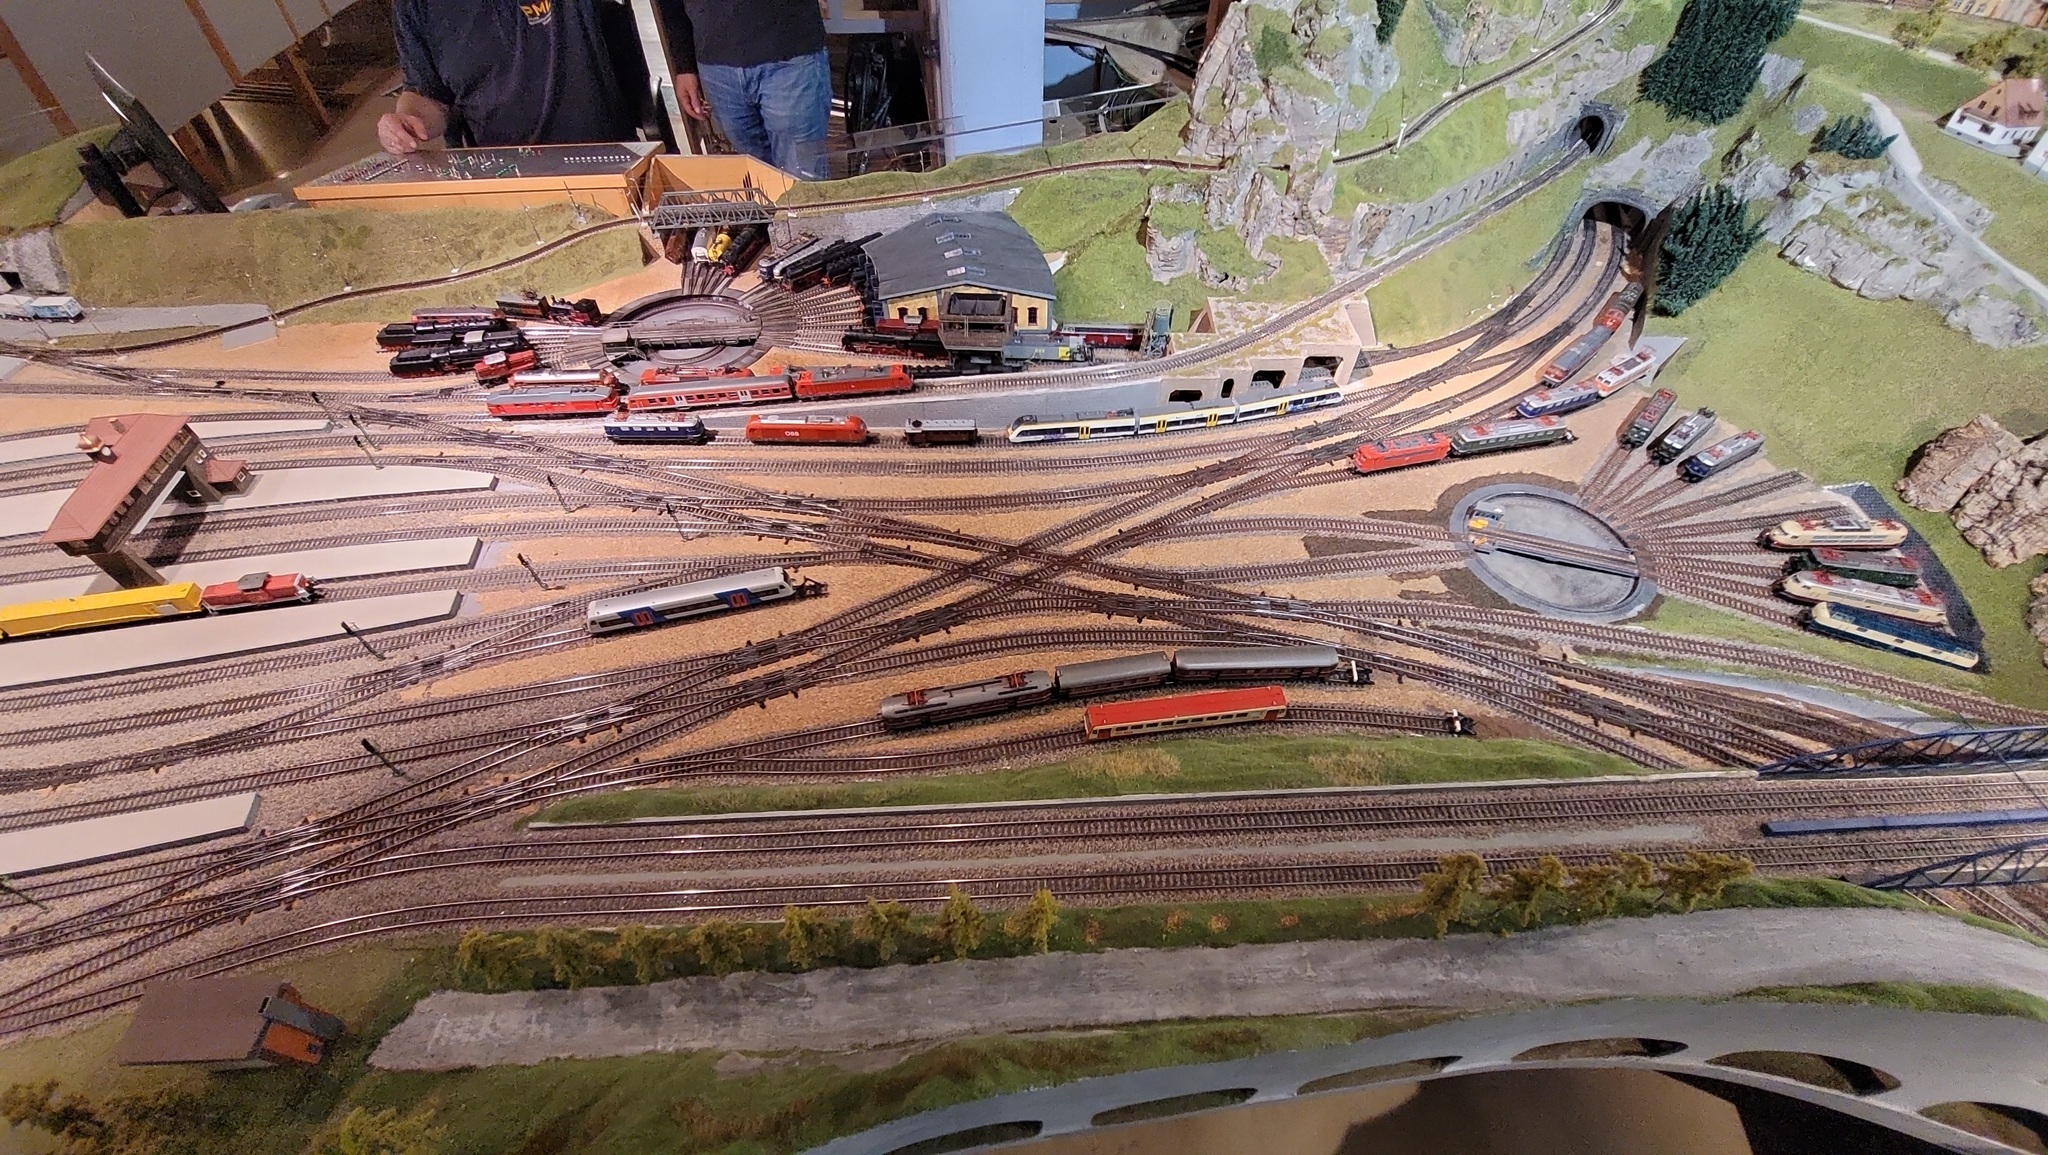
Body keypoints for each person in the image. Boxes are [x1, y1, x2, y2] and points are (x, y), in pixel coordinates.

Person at [379, 0, 639, 154]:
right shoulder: (416, 5)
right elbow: (429, 92)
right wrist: (408, 122)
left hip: (603, 163)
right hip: (504, 178)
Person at [660, 0, 833, 179]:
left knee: (803, 177)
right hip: (717, 65)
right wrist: (684, 66)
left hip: (790, 55)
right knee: (759, 178)